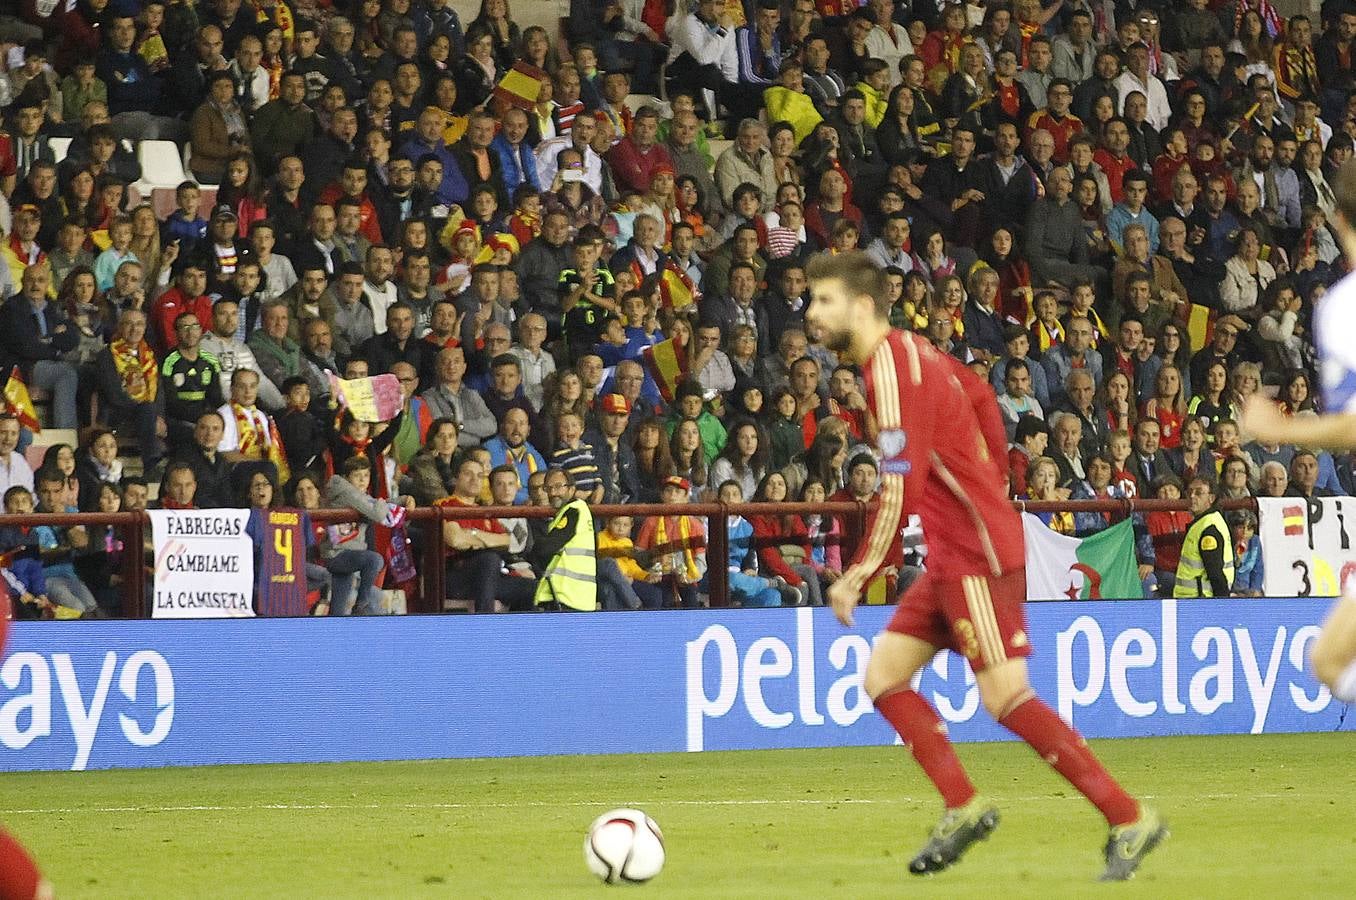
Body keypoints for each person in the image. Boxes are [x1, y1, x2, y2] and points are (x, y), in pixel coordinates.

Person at [804, 250, 1163, 880]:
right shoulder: (919, 351)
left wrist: (860, 570)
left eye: (824, 300)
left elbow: (899, 485)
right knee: (884, 678)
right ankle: (962, 805)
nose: (811, 312)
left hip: (973, 552)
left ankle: (1128, 815)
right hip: (957, 547)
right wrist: (990, 481)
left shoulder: (889, 367)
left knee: (1006, 696)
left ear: (862, 307)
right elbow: (979, 399)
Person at [1242, 159, 1356, 703]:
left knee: (1331, 663)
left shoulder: (1343, 308)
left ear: (1335, 218)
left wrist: (1283, 427)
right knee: (1330, 661)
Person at [532, 468, 597, 611]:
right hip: (575, 598)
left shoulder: (573, 511)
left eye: (558, 487)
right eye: (548, 488)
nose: (553, 493)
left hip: (567, 597)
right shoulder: (575, 511)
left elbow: (545, 548)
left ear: (572, 489)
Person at [1172, 476, 1234, 598]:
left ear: (1211, 498)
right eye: (1190, 492)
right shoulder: (1207, 521)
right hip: (1195, 599)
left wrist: (1222, 604)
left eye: (1199, 493)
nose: (1192, 496)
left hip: (1201, 601)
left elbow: (1215, 573)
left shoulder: (1208, 528)